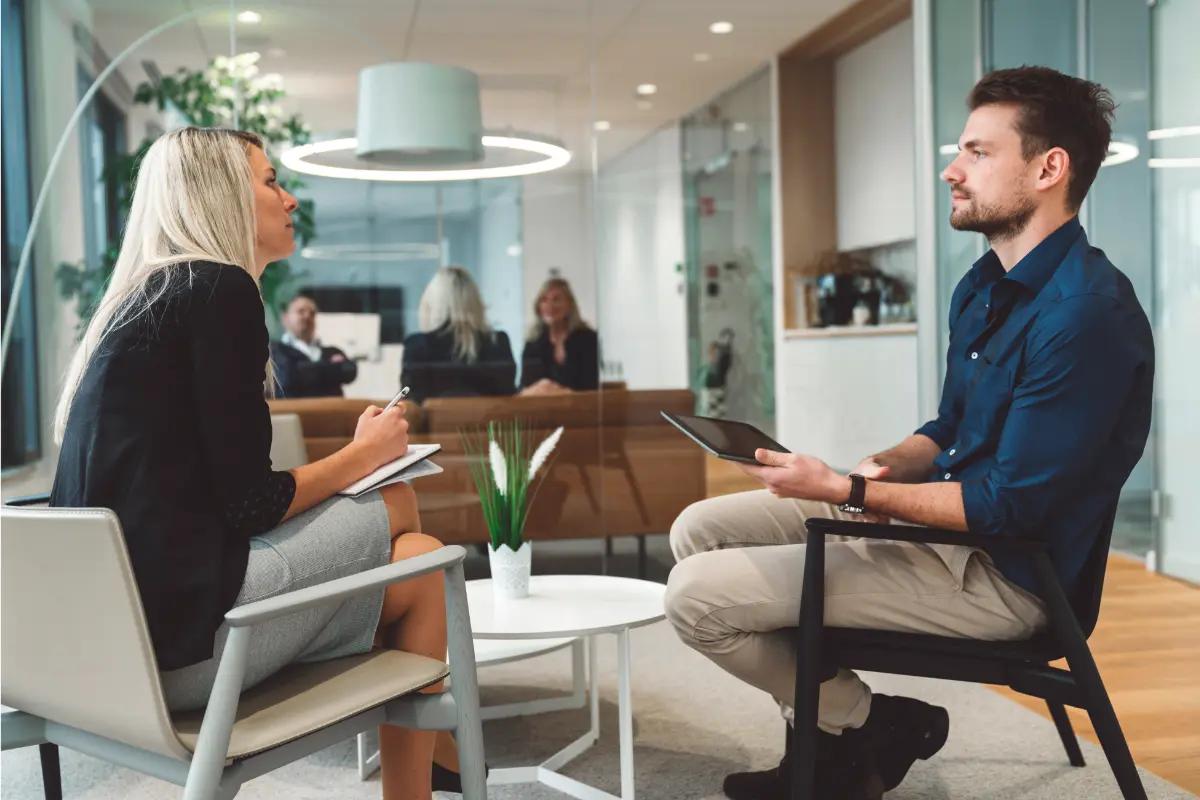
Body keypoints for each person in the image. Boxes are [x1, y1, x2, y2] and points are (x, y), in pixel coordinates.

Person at [664, 66, 1154, 800]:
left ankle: (864, 724)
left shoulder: (1086, 315)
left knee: (696, 596)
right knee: (696, 531)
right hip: (949, 534)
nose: (953, 172)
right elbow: (950, 429)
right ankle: (846, 738)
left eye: (978, 153)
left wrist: (847, 490)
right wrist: (887, 465)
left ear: (1050, 168)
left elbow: (1007, 508)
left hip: (1007, 576)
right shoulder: (984, 284)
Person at [50, 127, 472, 800]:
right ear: (223, 197)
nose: (290, 199)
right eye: (272, 181)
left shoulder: (136, 305)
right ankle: (434, 757)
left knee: (416, 553)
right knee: (410, 531)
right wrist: (364, 457)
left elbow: (217, 504)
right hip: (186, 657)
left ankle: (436, 756)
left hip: (106, 656)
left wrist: (356, 461)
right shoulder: (217, 289)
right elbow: (251, 504)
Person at [401, 266, 516, 402]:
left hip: (434, 423)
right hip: (488, 423)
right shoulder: (498, 342)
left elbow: (410, 403)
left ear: (432, 303)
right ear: (475, 301)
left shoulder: (417, 345)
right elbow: (508, 399)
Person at [519, 276, 599, 396]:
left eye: (556, 299)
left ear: (569, 305)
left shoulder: (587, 339)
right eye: (544, 300)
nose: (550, 305)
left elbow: (591, 385)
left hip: (580, 409)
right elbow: (526, 386)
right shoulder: (533, 342)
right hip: (540, 410)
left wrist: (559, 392)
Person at [270, 294, 358, 398]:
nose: (307, 316)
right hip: (293, 412)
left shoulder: (331, 351)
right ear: (285, 318)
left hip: (331, 412)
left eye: (312, 313)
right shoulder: (274, 350)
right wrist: (331, 368)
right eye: (301, 311)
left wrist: (306, 370)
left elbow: (350, 371)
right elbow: (288, 377)